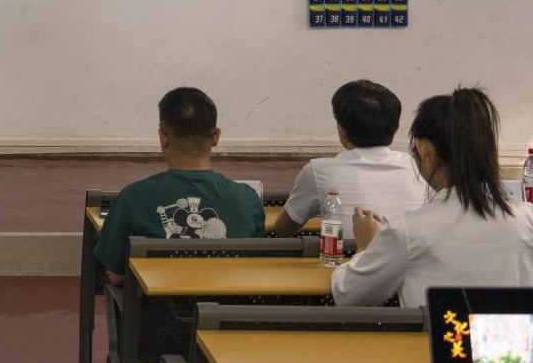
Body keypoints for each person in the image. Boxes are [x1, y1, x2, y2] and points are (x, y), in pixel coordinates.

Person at [332, 87, 533, 307]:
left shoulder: (407, 231)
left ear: (424, 149)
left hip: (439, 331)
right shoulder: (527, 220)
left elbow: (347, 295)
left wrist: (365, 248)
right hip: (512, 331)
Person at [94, 87, 265, 281]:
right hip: (230, 300)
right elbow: (256, 266)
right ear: (216, 136)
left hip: (159, 301)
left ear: (164, 136)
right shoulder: (248, 199)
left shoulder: (132, 198)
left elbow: (116, 275)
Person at [273, 79, 424, 239]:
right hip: (413, 255)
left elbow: (282, 230)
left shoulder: (318, 172)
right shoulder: (418, 167)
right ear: (395, 128)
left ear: (342, 129)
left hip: (346, 255)